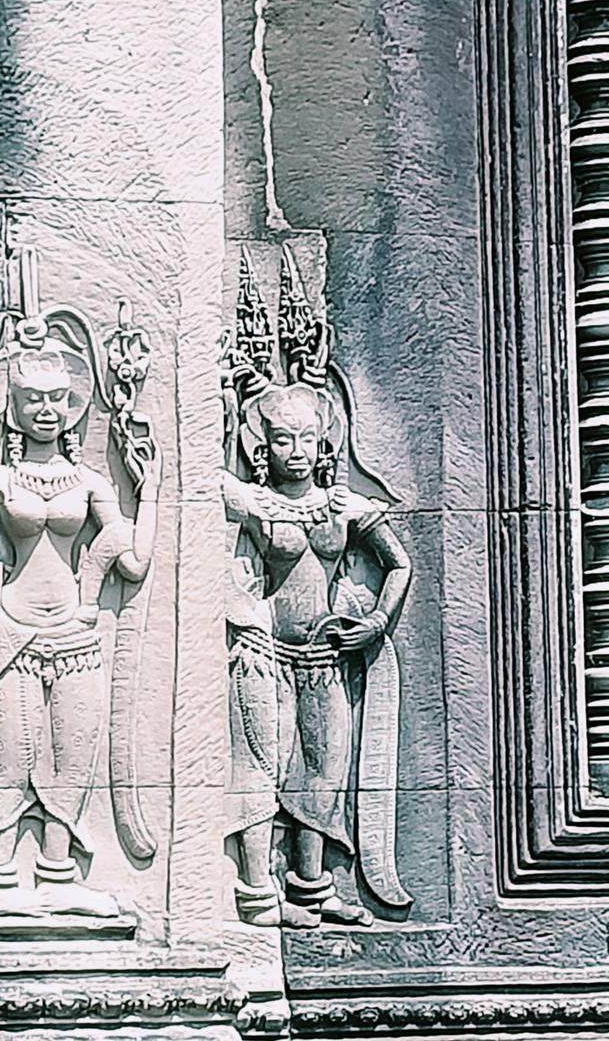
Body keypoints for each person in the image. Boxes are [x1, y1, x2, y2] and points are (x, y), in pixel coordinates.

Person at [0, 328, 159, 917]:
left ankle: (57, 875)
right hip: (14, 629)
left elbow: (133, 560)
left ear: (72, 406)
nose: (45, 410)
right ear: (13, 408)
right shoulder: (3, 481)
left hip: (77, 633)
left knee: (73, 758)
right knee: (13, 758)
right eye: (32, 399)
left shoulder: (91, 484)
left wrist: (149, 493)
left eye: (56, 398)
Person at [223, 381, 411, 927]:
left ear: (324, 443)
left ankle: (311, 886)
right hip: (266, 655)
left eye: (307, 438)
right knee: (263, 766)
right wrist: (226, 407)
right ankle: (258, 890)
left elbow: (398, 564)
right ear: (264, 446)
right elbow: (205, 484)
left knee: (323, 774)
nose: (297, 451)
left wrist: (375, 622)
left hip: (326, 656)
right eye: (283, 439)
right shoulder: (257, 504)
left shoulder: (344, 506)